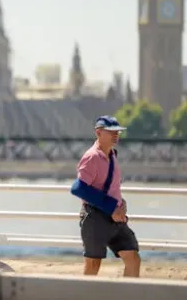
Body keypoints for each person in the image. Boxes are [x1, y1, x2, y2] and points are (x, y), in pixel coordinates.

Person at [70, 115, 141, 277]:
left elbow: (111, 187)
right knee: (93, 265)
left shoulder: (112, 155)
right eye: (111, 131)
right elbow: (78, 188)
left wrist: (121, 203)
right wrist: (111, 207)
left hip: (116, 219)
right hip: (95, 218)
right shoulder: (92, 157)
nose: (116, 135)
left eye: (117, 131)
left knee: (133, 258)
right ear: (98, 133)